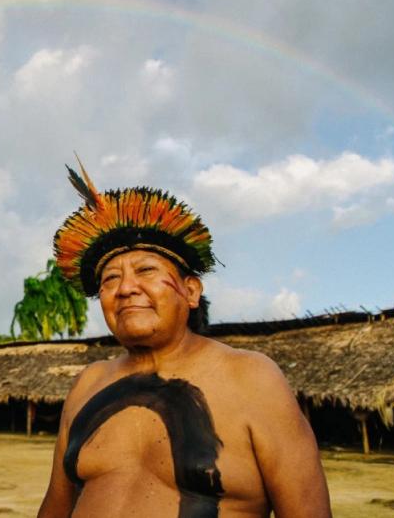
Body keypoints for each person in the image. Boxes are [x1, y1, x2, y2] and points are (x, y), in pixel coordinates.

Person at [38, 161, 331, 517]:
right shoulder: (89, 384)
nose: (126, 288)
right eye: (110, 279)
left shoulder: (251, 379)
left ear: (191, 291)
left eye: (146, 270)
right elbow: (55, 506)